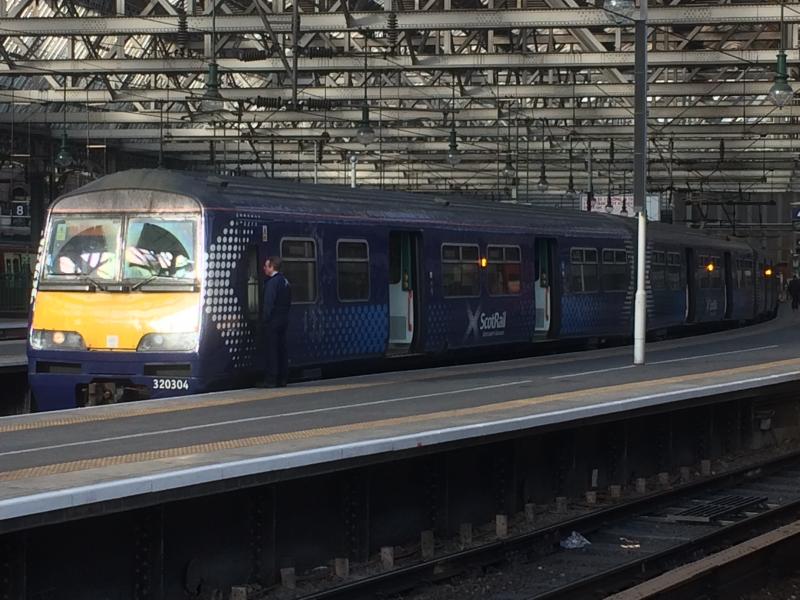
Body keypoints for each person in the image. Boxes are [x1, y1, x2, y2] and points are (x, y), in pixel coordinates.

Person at [261, 256, 292, 387]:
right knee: (282, 349)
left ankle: (271, 379)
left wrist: (265, 319)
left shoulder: (272, 283)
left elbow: (268, 303)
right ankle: (282, 378)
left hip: (273, 320)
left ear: (272, 267)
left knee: (272, 350)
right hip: (284, 318)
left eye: (266, 266)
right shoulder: (285, 281)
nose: (264, 268)